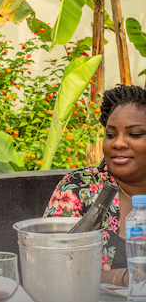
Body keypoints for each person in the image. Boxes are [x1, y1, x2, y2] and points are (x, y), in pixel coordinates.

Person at [43, 84, 146, 287]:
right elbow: (50, 267)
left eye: (134, 134)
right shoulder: (77, 188)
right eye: (110, 134)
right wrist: (127, 278)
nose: (118, 143)